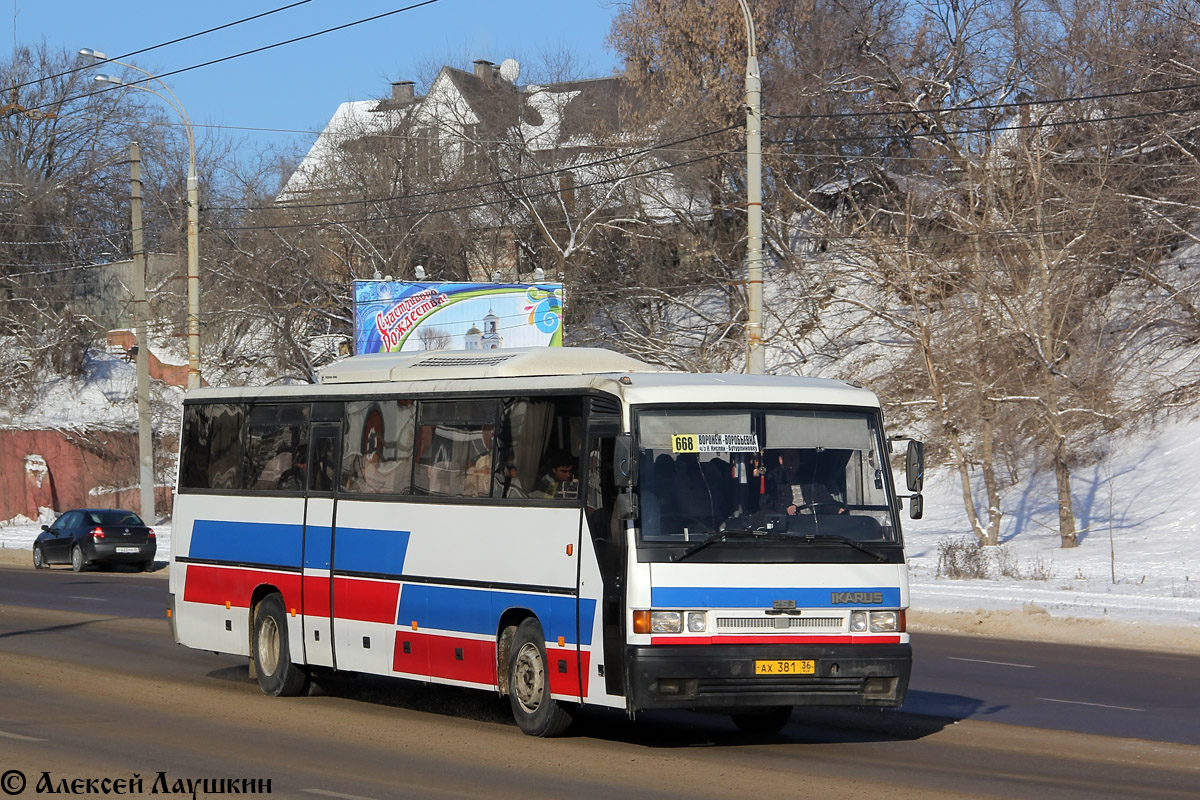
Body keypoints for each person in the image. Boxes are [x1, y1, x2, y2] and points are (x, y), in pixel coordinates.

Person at [765, 449, 845, 515]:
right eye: (789, 457)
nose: (793, 461)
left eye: (795, 457)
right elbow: (769, 505)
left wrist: (836, 509)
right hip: (788, 525)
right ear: (781, 460)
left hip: (814, 523)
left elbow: (825, 500)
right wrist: (786, 508)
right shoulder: (774, 481)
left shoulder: (811, 480)